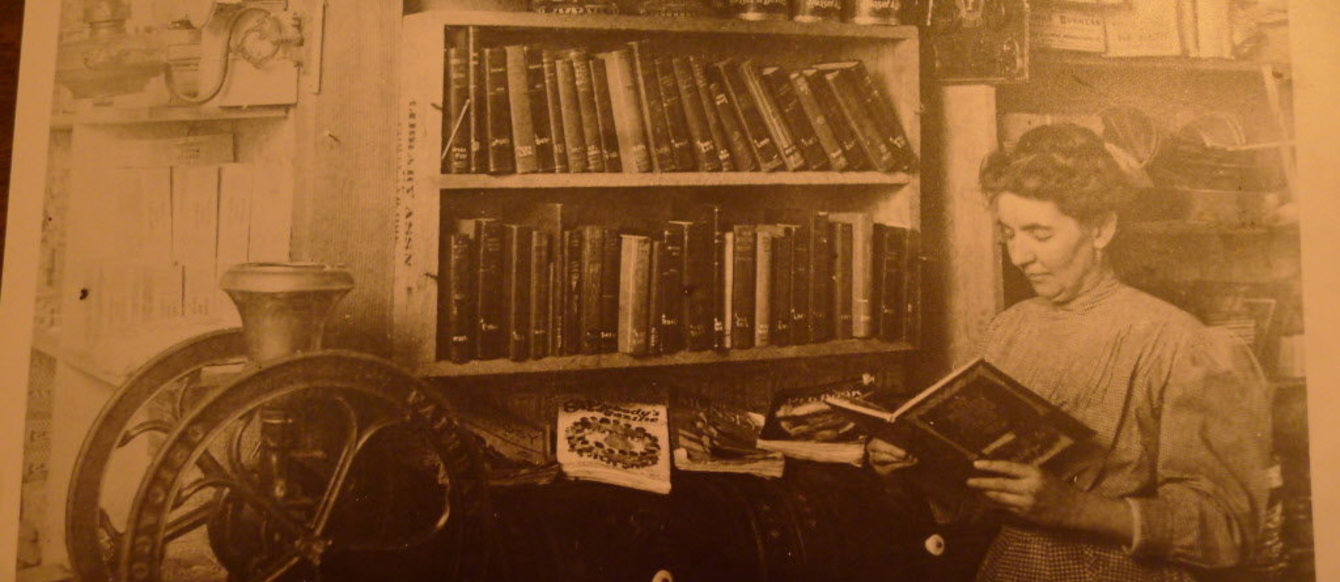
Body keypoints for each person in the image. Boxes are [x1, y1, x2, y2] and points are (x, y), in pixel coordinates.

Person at [868, 123, 1272, 581]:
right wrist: (917, 468)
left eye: (1040, 234)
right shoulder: (1010, 329)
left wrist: (1077, 509)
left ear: (1100, 229)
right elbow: (978, 502)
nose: (1020, 256)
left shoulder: (1184, 345)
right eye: (1009, 234)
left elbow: (1227, 531)